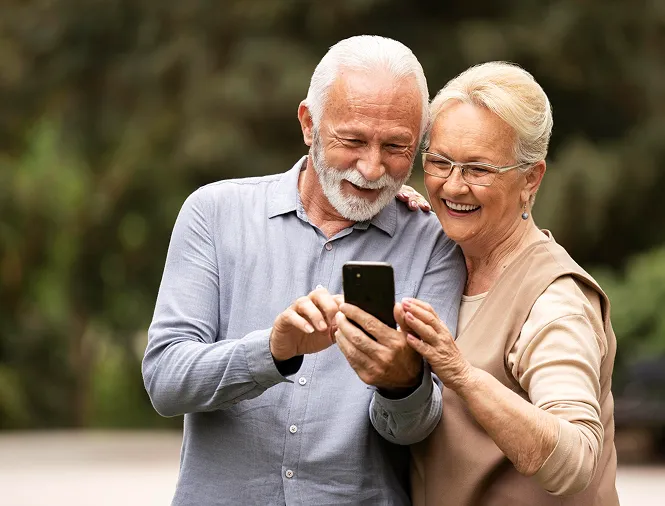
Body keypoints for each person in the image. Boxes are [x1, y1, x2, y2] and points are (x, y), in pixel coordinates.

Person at [142, 35, 465, 505]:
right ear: (309, 124)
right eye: (352, 140)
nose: (373, 168)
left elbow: (417, 429)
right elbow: (166, 383)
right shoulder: (214, 214)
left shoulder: (434, 244)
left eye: (396, 146)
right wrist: (271, 352)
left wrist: (402, 383)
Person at [335, 61, 619, 505]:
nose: (452, 186)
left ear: (531, 179)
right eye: (440, 162)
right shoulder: (443, 254)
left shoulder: (554, 299)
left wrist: (462, 375)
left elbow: (576, 460)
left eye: (478, 169)